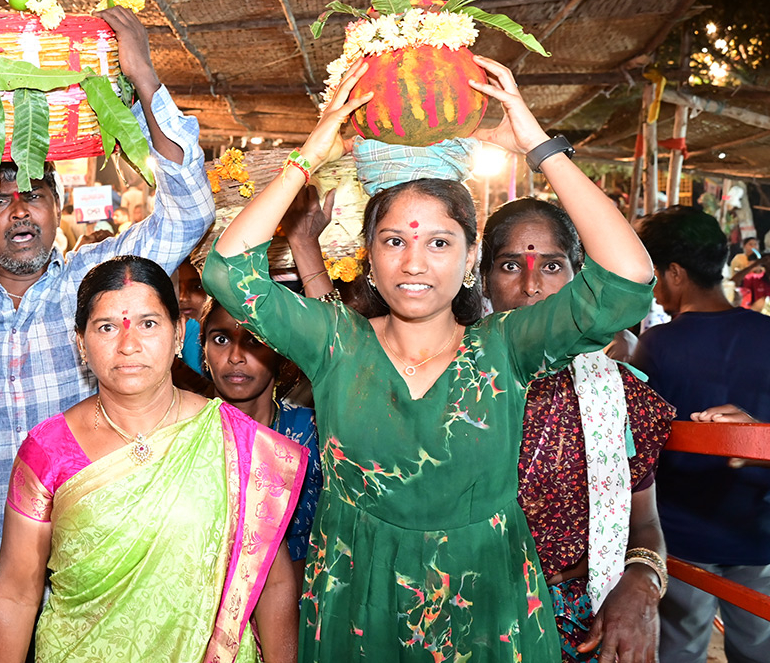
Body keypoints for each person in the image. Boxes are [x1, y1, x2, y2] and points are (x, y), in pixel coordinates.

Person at [203, 55, 655, 662]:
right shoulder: (334, 341)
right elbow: (228, 271)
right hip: (355, 602)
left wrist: (537, 144)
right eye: (394, 241)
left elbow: (627, 278)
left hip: (485, 604)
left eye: (439, 243)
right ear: (368, 256)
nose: (415, 263)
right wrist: (309, 154)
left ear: (470, 259)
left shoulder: (507, 348)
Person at [0, 7, 215, 662]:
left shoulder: (95, 285)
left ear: (56, 207)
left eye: (35, 193)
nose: (19, 210)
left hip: (94, 595)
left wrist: (144, 76)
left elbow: (191, 210)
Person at [0, 256, 303, 663]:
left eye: (149, 323)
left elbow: (272, 585)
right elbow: (15, 594)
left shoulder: (237, 442)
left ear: (178, 334)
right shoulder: (47, 450)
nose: (128, 344)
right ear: (80, 343)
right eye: (106, 327)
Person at [481, 198, 675, 663]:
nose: (531, 287)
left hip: (583, 612)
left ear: (578, 275)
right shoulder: (443, 377)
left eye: (551, 265)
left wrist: (641, 584)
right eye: (511, 265)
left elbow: (644, 524)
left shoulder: (619, 394)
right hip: (472, 610)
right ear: (482, 275)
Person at [632, 206, 770, 663]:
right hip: (757, 533)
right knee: (758, 648)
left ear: (674, 271)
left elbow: (642, 448)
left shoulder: (659, 345)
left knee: (680, 649)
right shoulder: (766, 333)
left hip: (683, 537)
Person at [201, 297, 322, 591]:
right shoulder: (186, 435)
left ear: (280, 350)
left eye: (254, 341)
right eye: (220, 339)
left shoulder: (315, 432)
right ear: (203, 350)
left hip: (305, 602)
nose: (235, 356)